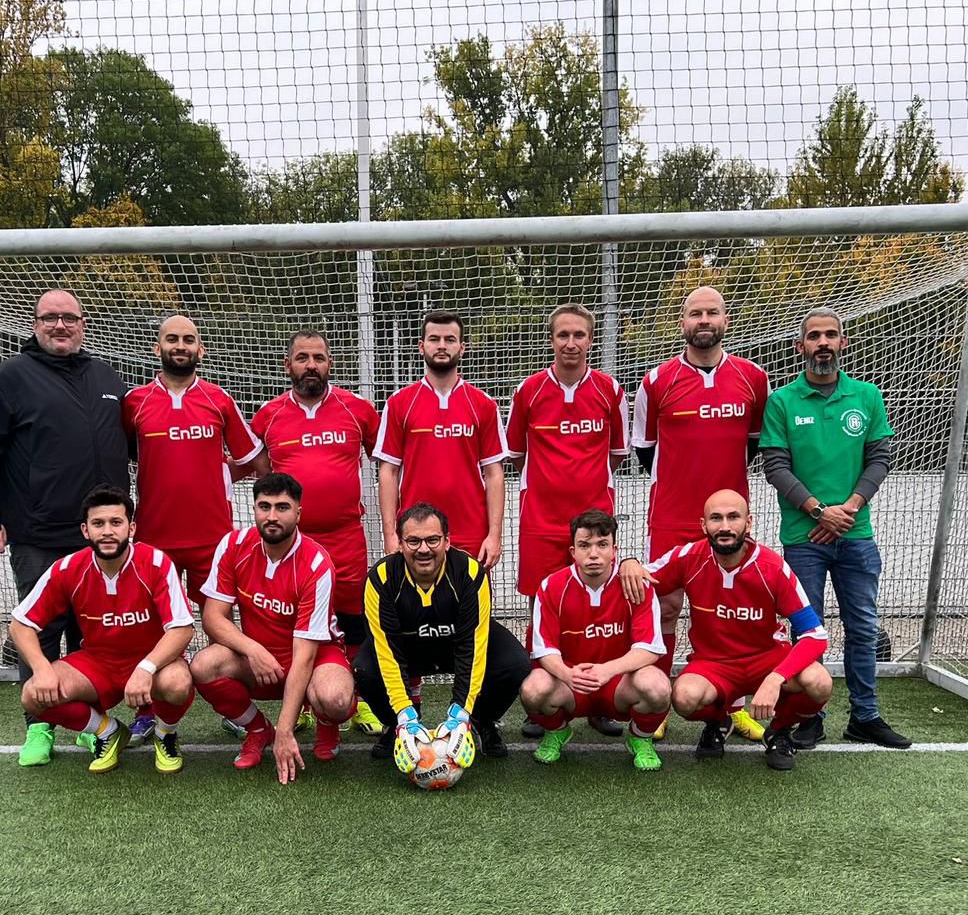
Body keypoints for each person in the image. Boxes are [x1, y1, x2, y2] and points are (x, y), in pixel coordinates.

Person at [0, 289, 134, 767]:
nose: (60, 325)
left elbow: (136, 447)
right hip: (38, 533)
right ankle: (38, 723)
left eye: (69, 318)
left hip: (102, 537)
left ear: (83, 324)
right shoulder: (11, 377)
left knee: (90, 634)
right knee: (39, 632)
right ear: (35, 324)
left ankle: (91, 722)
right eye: (50, 317)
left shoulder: (106, 377)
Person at [759, 307, 910, 750]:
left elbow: (879, 459)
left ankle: (865, 716)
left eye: (830, 335)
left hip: (856, 534)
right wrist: (818, 511)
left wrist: (849, 508)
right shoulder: (782, 401)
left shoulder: (867, 396)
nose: (822, 343)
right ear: (800, 346)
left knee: (862, 627)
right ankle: (810, 716)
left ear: (843, 343)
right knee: (808, 632)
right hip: (803, 538)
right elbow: (775, 466)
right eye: (814, 336)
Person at [631, 285, 770, 744]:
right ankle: (657, 706)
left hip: (728, 519)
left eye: (712, 312)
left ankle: (733, 705)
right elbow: (645, 450)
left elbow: (753, 444)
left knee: (732, 610)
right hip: (671, 516)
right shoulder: (656, 381)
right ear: (682, 323)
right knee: (665, 608)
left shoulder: (754, 378)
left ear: (726, 320)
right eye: (695, 313)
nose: (704, 320)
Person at [628, 490, 832, 771]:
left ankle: (779, 731)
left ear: (749, 523)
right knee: (684, 697)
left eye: (733, 517)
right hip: (714, 664)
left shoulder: (772, 567)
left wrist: (775, 679)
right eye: (716, 518)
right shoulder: (690, 557)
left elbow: (815, 635)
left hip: (767, 658)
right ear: (704, 525)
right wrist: (629, 563)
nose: (724, 526)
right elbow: (642, 578)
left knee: (819, 682)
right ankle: (718, 722)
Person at [250, 329, 385, 737]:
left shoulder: (358, 410)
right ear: (287, 365)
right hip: (293, 545)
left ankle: (359, 699)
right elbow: (259, 473)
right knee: (296, 622)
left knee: (354, 620)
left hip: (346, 538)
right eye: (303, 358)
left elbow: (388, 462)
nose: (311, 365)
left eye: (319, 358)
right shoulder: (268, 416)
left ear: (330, 364)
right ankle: (303, 701)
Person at [505, 303, 629, 740]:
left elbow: (618, 454)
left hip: (595, 526)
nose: (571, 343)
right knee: (542, 609)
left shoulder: (611, 390)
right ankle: (541, 704)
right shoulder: (529, 391)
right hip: (541, 521)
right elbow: (515, 456)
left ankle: (599, 701)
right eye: (563, 335)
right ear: (551, 340)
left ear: (590, 340)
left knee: (600, 605)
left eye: (579, 335)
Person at [8, 486, 195, 776]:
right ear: (86, 530)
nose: (107, 531)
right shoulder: (68, 568)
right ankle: (108, 731)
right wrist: (42, 668)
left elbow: (182, 628)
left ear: (131, 528)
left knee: (177, 683)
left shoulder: (156, 563)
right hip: (98, 663)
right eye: (98, 523)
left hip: (151, 661)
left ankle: (165, 734)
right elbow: (20, 624)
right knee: (33, 695)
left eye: (116, 522)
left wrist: (146, 668)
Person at [191, 473, 356, 782]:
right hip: (260, 658)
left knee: (336, 698)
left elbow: (305, 656)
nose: (271, 516)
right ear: (254, 508)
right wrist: (253, 650)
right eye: (264, 506)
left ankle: (326, 721)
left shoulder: (316, 564)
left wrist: (286, 731)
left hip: (313, 656)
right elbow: (212, 617)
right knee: (203, 665)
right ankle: (258, 729)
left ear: (298, 513)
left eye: (282, 507)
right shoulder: (233, 545)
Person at [354, 502, 531, 772]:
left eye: (432, 540)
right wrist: (403, 713)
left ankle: (480, 721)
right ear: (399, 544)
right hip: (406, 648)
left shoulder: (470, 573)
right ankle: (395, 725)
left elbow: (473, 646)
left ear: (447, 541)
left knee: (515, 663)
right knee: (364, 669)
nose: (423, 549)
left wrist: (461, 714)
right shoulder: (380, 579)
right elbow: (387, 652)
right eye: (413, 541)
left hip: (456, 644)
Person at [122, 313, 264, 602]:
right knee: (157, 621)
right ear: (157, 348)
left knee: (217, 620)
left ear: (200, 350)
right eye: (172, 339)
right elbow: (120, 455)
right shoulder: (134, 401)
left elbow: (254, 459)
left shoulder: (219, 399)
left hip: (212, 537)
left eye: (188, 340)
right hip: (154, 537)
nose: (180, 346)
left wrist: (221, 474)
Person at [519, 510, 672, 771]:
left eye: (602, 545)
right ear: (573, 551)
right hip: (571, 683)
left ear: (614, 550)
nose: (593, 554)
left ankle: (640, 738)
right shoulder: (551, 586)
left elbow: (650, 649)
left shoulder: (637, 585)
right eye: (584, 545)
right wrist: (568, 674)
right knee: (533, 688)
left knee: (657, 686)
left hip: (618, 683)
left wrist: (607, 670)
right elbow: (544, 650)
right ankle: (557, 731)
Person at [374, 311, 508, 568]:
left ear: (462, 348)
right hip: (415, 535)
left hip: (470, 533)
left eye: (450, 339)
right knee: (414, 596)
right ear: (421, 346)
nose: (442, 346)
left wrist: (494, 535)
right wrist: (390, 535)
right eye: (434, 339)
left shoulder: (483, 404)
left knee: (470, 596)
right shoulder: (400, 403)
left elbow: (494, 474)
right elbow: (388, 471)